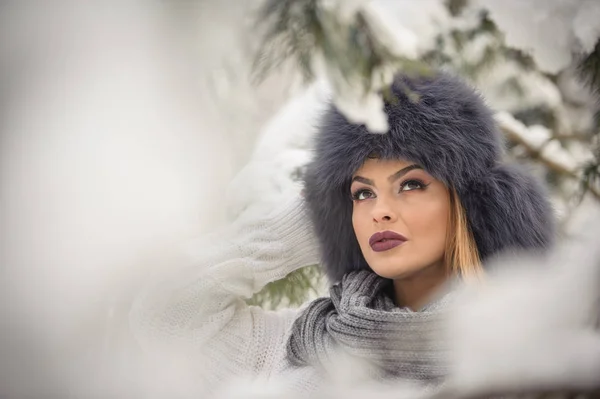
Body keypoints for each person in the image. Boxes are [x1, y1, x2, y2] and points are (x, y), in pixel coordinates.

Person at [129, 71, 555, 395]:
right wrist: (312, 219)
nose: (380, 212)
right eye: (362, 193)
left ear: (469, 203)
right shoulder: (298, 344)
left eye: (411, 184)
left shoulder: (525, 353)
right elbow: (165, 314)